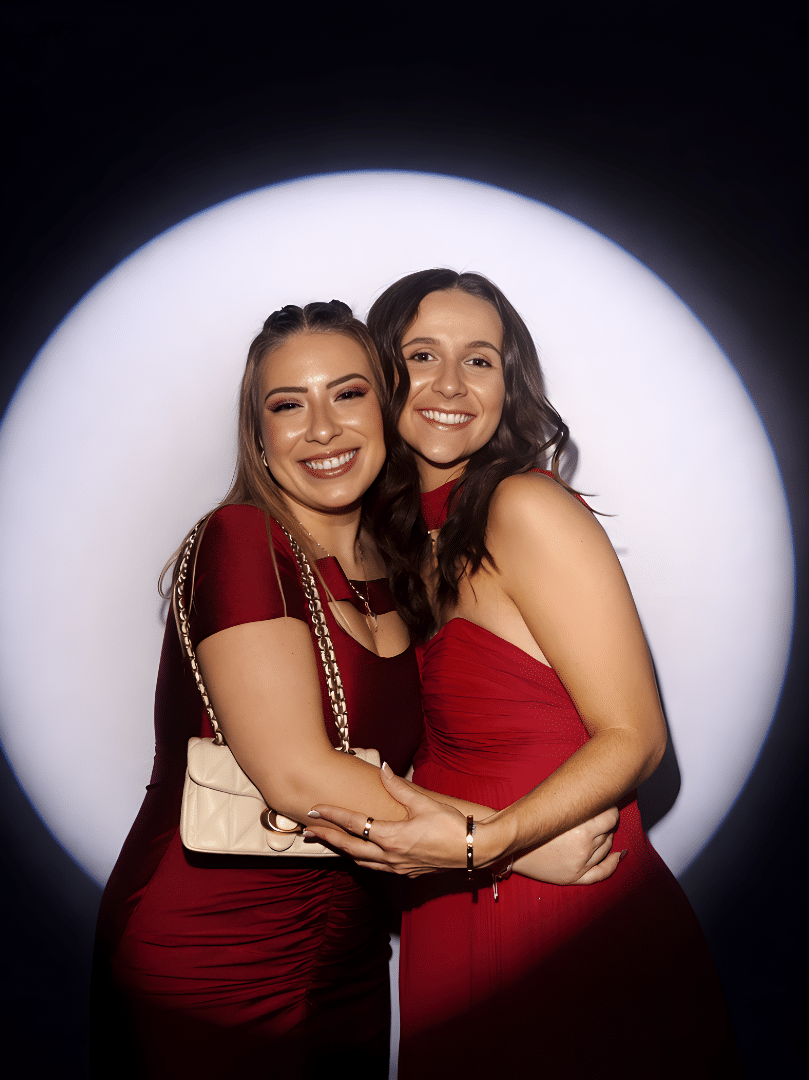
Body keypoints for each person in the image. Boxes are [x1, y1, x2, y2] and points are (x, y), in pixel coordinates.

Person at [91, 300, 621, 1079]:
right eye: (287, 406)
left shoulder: (395, 566)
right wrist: (513, 844)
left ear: (386, 405)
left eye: (347, 394)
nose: (323, 429)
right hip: (209, 953)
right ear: (260, 439)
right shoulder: (242, 540)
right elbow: (298, 775)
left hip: (349, 954)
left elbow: (401, 764)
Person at [305, 271, 740, 1077]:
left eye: (481, 361)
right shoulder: (399, 544)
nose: (450, 385)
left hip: (565, 907)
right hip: (453, 904)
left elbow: (637, 738)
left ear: (510, 385)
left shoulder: (526, 509)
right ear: (383, 374)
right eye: (423, 354)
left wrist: (491, 843)